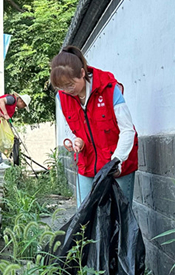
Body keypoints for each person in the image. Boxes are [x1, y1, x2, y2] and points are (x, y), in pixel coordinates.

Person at [49, 46, 139, 208]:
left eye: (70, 85)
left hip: (117, 163)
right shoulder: (62, 97)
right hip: (87, 163)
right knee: (84, 218)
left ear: (82, 73)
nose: (66, 91)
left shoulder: (109, 89)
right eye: (61, 88)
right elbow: (72, 129)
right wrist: (76, 141)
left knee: (120, 218)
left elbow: (127, 130)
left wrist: (116, 162)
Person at [0, 92, 32, 166]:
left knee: (0, 140)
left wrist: (12, 133)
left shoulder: (13, 106)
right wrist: (5, 114)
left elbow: (7, 122)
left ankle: (0, 161)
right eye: (24, 106)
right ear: (21, 101)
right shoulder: (12, 99)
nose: (22, 108)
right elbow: (0, 101)